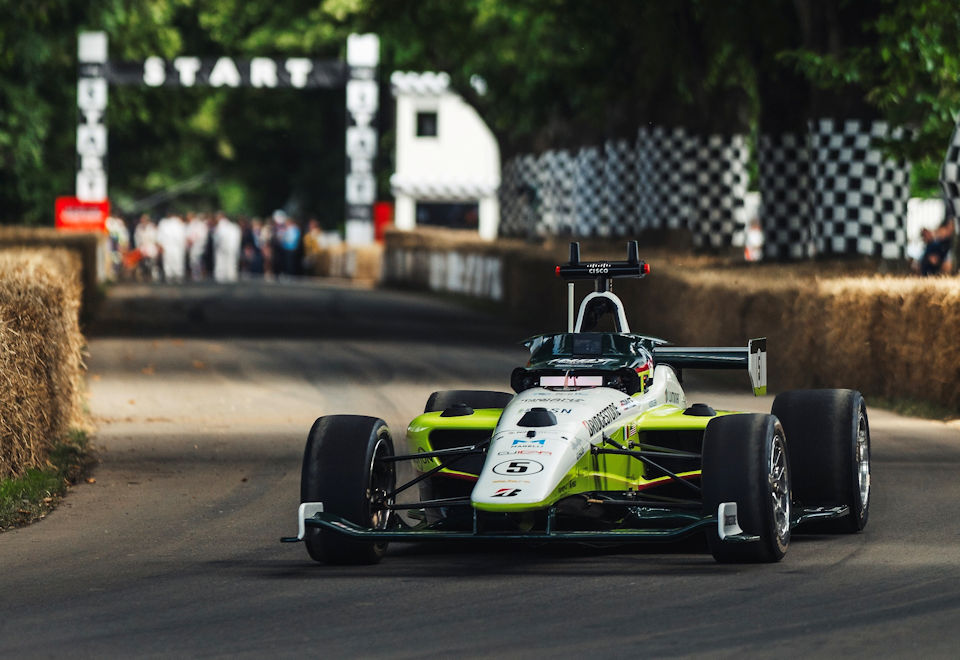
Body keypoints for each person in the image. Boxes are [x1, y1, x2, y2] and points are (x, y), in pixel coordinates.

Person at [156, 212, 187, 283]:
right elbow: (160, 236)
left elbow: (182, 236)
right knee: (170, 261)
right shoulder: (164, 223)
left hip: (175, 246)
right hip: (169, 246)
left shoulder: (177, 223)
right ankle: (171, 275)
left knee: (175, 260)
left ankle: (176, 275)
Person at [212, 211, 242, 282]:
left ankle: (222, 275)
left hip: (223, 247)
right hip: (231, 247)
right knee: (231, 262)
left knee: (221, 262)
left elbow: (218, 237)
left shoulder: (221, 225)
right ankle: (231, 275)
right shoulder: (234, 227)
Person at [133, 214, 159, 281]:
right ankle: (143, 275)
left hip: (151, 247)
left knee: (153, 263)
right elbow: (137, 238)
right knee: (141, 263)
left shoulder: (152, 227)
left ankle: (154, 276)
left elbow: (155, 238)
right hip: (142, 247)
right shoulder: (139, 228)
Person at [185, 212, 209, 281]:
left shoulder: (199, 225)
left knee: (197, 261)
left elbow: (200, 236)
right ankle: (195, 275)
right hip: (193, 247)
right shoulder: (191, 225)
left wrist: (193, 240)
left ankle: (199, 275)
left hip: (198, 246)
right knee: (194, 262)